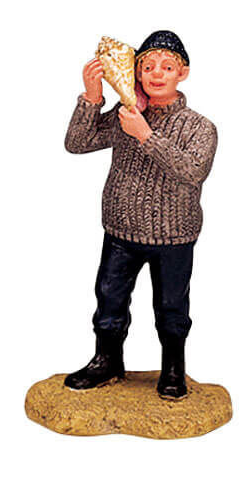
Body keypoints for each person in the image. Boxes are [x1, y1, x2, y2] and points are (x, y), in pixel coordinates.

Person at [63, 30, 217, 399]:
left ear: (183, 73)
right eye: (147, 67)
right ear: (136, 73)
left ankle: (173, 368)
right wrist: (92, 98)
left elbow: (192, 171)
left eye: (167, 67)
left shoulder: (199, 127)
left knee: (171, 307)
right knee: (109, 300)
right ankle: (107, 360)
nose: (156, 73)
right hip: (120, 231)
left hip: (174, 236)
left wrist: (146, 134)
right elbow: (77, 143)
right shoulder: (127, 113)